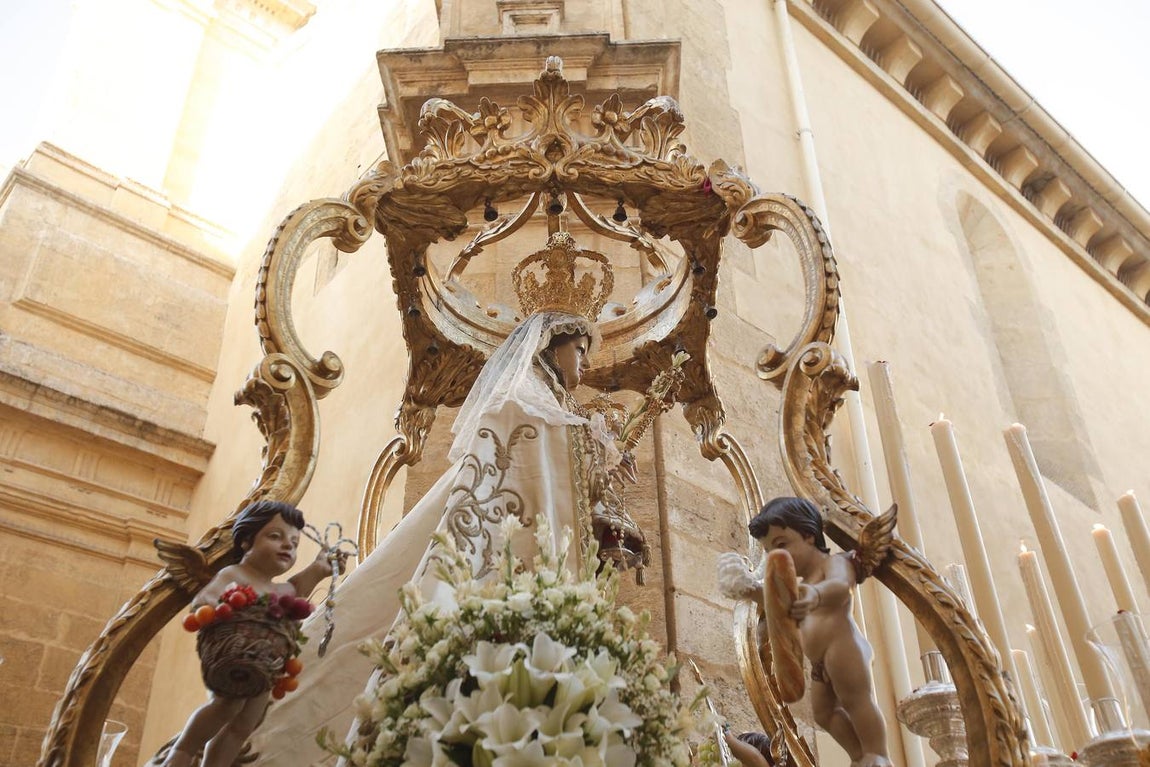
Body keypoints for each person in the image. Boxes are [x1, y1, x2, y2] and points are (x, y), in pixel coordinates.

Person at [249, 307, 645, 764]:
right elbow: (530, 463)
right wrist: (597, 448)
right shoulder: (521, 396)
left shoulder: (552, 406)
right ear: (551, 346)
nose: (586, 364)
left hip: (530, 544)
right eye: (580, 351)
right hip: (496, 538)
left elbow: (556, 481)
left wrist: (602, 471)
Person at [161, 500, 337, 767]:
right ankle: (181, 753)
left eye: (294, 542)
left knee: (247, 722)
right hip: (233, 656)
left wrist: (319, 568)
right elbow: (204, 600)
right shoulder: (235, 574)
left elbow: (296, 589)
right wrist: (218, 606)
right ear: (246, 541)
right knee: (227, 706)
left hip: (265, 666)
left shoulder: (279, 591)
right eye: (275, 536)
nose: (288, 545)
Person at [743, 497, 891, 767]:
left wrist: (815, 594)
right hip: (819, 662)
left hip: (842, 647)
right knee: (823, 713)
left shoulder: (832, 564)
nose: (776, 556)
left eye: (782, 545)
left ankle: (876, 752)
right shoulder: (798, 583)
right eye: (769, 551)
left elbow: (839, 586)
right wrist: (752, 591)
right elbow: (776, 605)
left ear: (809, 535)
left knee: (856, 701)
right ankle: (858, 756)